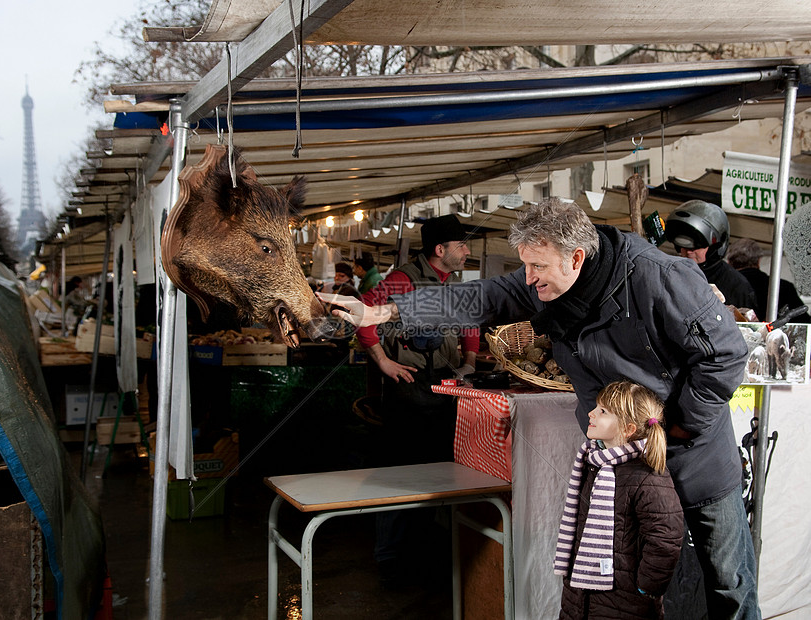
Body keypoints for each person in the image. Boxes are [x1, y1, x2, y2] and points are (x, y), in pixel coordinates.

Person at [321, 197, 760, 619]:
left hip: (694, 458)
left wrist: (683, 425)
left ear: (577, 258)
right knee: (626, 586)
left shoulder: (658, 275)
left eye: (537, 267)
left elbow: (725, 354)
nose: (528, 279)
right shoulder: (548, 280)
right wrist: (380, 314)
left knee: (727, 580)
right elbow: (477, 300)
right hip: (621, 463)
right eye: (526, 265)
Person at [354, 214, 478, 584]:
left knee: (437, 470)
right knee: (400, 473)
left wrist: (469, 363)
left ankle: (424, 551)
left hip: (443, 384)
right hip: (408, 387)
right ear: (441, 250)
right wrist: (383, 362)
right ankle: (390, 559)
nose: (467, 251)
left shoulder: (452, 281)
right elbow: (362, 316)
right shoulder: (401, 279)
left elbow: (469, 321)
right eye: (462, 245)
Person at [555, 380, 685, 619]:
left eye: (603, 411)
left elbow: (665, 539)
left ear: (628, 429)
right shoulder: (594, 465)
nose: (591, 413)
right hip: (580, 599)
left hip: (626, 602)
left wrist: (646, 587)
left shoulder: (648, 477)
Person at [664, 200, 757, 311]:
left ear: (714, 247)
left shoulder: (736, 286)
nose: (688, 252)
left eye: (695, 247)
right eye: (682, 246)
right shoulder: (670, 274)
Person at [726, 237, 811, 323]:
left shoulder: (723, 287)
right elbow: (804, 323)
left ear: (729, 262)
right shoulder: (783, 288)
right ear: (758, 261)